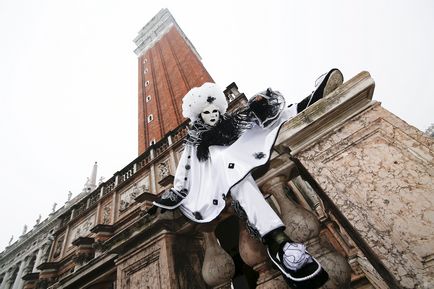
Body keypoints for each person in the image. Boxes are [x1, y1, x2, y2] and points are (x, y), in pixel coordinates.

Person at [153, 69, 343, 288]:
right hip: (221, 176)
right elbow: (185, 169)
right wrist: (173, 194)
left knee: (261, 122)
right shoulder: (196, 142)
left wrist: (259, 107)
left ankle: (307, 101)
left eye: (215, 111)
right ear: (199, 116)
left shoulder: (231, 123)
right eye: (207, 113)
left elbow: (254, 126)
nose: (213, 115)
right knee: (233, 172)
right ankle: (277, 241)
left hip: (242, 157)